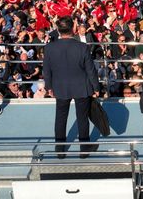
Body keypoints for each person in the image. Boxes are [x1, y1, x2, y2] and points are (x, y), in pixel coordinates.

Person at [43, 16, 101, 157]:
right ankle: (84, 149)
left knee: (60, 117)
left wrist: (49, 87)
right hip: (81, 87)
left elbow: (47, 70)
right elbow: (90, 70)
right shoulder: (82, 47)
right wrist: (96, 88)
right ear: (73, 29)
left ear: (58, 30)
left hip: (60, 87)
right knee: (82, 117)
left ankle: (60, 150)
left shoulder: (50, 47)